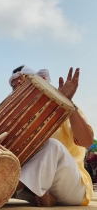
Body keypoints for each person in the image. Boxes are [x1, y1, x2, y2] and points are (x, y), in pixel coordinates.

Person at [9, 65, 94, 207]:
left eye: (22, 82)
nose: (17, 87)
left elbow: (87, 142)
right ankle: (49, 198)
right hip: (37, 188)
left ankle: (2, 190)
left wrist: (67, 104)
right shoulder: (19, 119)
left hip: (73, 187)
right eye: (14, 87)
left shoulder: (63, 107)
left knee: (52, 146)